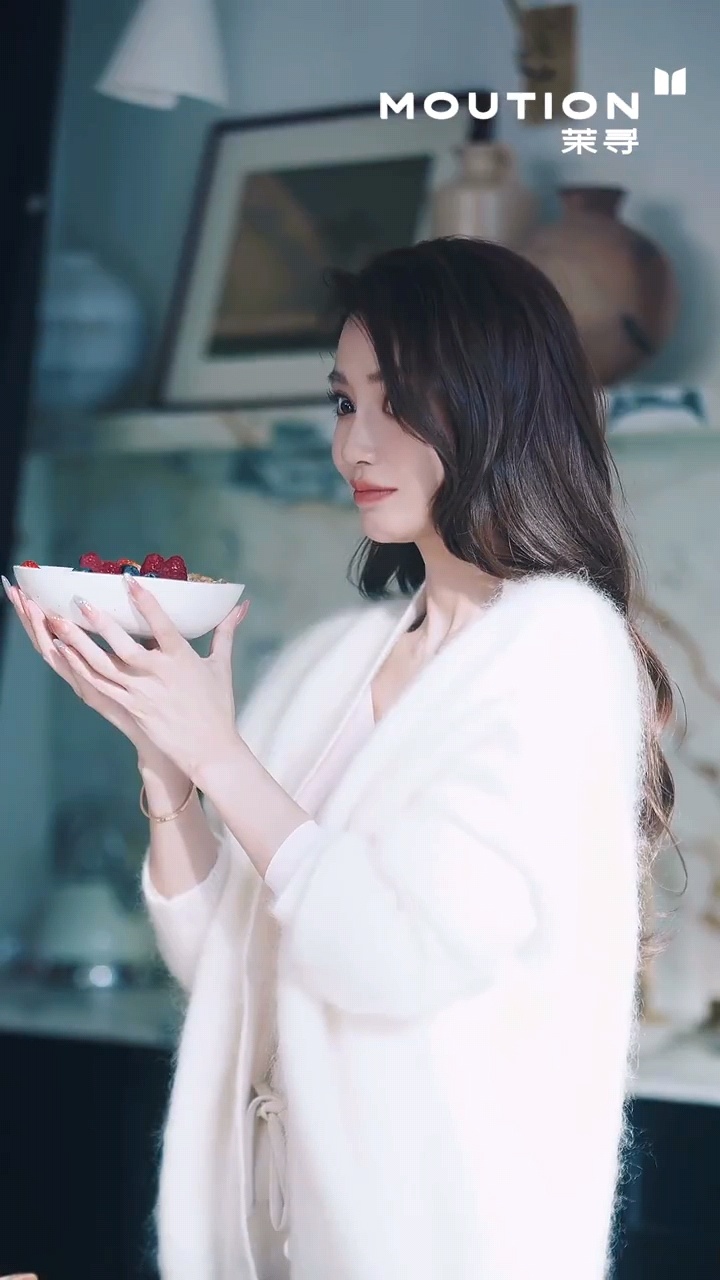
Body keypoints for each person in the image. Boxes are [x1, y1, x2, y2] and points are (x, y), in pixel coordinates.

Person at [3, 237, 675, 1280]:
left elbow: (391, 955)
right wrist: (165, 759)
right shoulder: (335, 661)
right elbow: (228, 964)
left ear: (494, 405)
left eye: (396, 402)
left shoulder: (557, 653)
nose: (356, 443)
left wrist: (221, 752)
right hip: (268, 1239)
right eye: (344, 401)